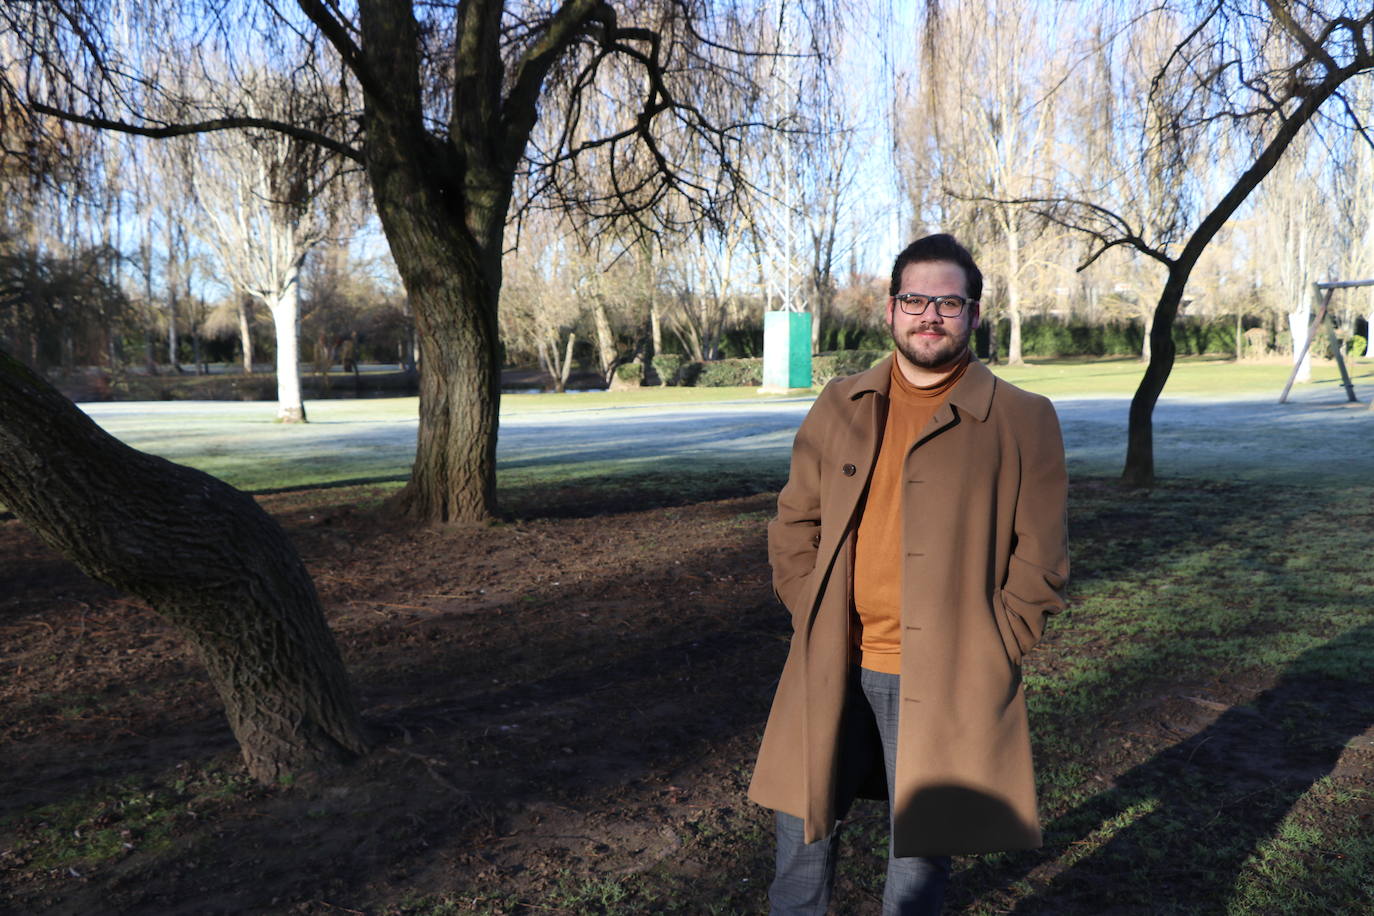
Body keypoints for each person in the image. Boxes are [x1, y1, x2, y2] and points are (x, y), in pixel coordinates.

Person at [748, 234, 1070, 914]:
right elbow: (793, 523)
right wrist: (811, 609)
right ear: (891, 311)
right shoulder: (840, 404)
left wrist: (1000, 642)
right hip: (832, 656)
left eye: (948, 302)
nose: (930, 315)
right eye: (915, 299)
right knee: (800, 849)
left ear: (973, 315)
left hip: (947, 670)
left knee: (920, 861)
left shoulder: (1022, 419)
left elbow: (1041, 557)